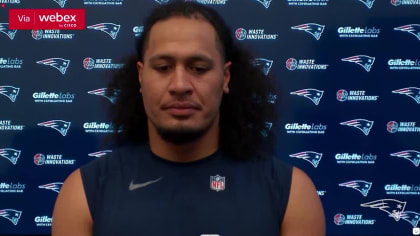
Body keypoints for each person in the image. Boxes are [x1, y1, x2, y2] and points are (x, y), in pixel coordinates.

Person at [52, 2, 325, 236]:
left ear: (226, 77)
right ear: (140, 75)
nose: (180, 84)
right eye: (163, 67)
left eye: (198, 68)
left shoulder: (290, 193)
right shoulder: (84, 193)